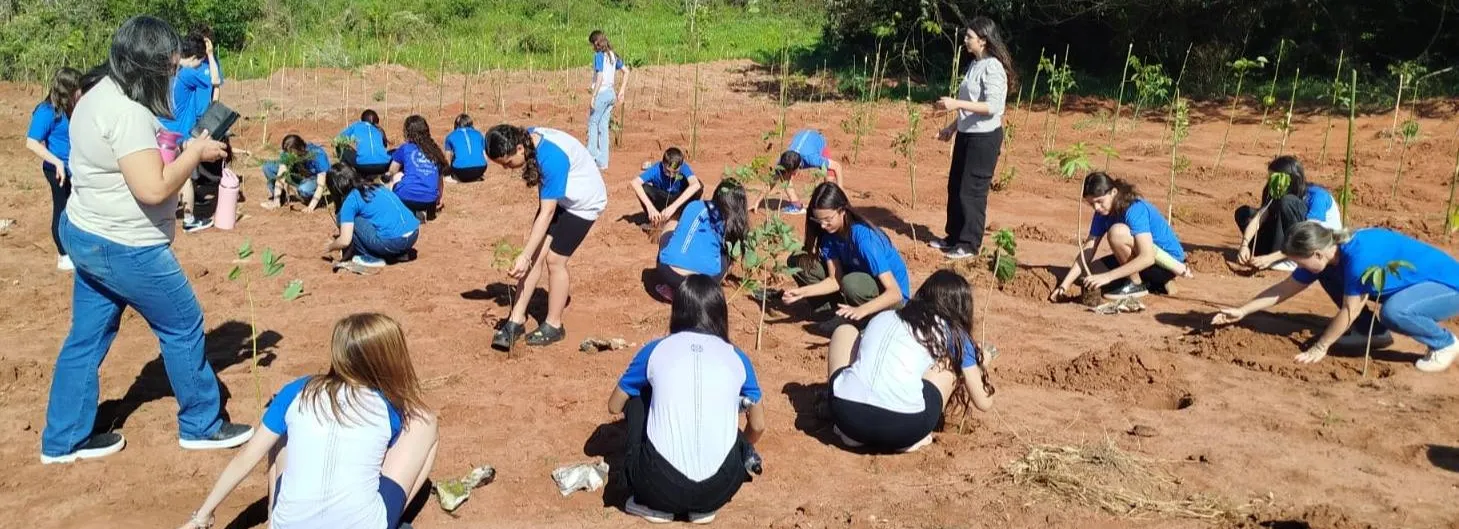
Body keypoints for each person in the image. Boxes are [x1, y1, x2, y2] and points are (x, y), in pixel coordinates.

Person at [42, 15, 251, 465]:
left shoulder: (97, 94)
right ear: (149, 64)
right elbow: (154, 189)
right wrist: (195, 152)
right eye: (170, 66)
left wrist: (178, 143)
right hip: (126, 245)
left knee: (87, 336)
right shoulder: (127, 114)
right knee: (183, 323)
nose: (174, 72)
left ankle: (63, 439)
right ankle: (202, 424)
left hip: (87, 232)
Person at [175, 313, 438, 529]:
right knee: (424, 422)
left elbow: (245, 458)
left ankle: (273, 517)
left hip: (290, 524)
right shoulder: (389, 404)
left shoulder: (297, 391)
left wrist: (203, 515)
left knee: (282, 434)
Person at [608, 275, 766, 524]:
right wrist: (740, 448)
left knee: (638, 396)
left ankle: (649, 503)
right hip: (720, 488)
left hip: (656, 485)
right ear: (721, 313)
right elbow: (757, 425)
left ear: (676, 311)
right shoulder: (738, 358)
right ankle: (700, 506)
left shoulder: (655, 349)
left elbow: (614, 405)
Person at [1213, 222, 1459, 372]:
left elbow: (1350, 309)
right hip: (1410, 286)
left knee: (1394, 312)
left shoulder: (1358, 257)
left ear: (1317, 254)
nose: (1302, 267)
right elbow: (1284, 289)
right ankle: (1370, 332)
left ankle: (1444, 343)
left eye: (1302, 262)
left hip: (1448, 288)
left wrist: (1322, 346)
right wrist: (1243, 310)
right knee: (1328, 275)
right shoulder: (1330, 253)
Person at [826, 270, 994, 452]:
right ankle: (915, 438)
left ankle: (851, 433)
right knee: (949, 364)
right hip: (906, 429)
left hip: (846, 417)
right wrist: (981, 364)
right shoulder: (954, 333)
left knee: (845, 331)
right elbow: (983, 403)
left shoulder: (883, 317)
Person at [486, 124, 608, 349]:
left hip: (584, 204)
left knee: (555, 260)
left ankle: (554, 325)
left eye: (507, 163)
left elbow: (547, 211)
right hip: (561, 197)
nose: (507, 168)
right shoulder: (527, 138)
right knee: (535, 255)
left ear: (520, 149)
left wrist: (523, 255)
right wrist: (527, 255)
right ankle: (517, 319)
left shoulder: (551, 158)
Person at [930, 17, 1014, 260]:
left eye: (969, 37)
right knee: (955, 186)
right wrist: (952, 128)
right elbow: (972, 108)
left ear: (983, 40)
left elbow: (993, 106)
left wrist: (954, 103)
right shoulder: (975, 65)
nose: (965, 41)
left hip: (984, 139)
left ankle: (969, 243)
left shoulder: (993, 67)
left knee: (972, 190)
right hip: (967, 135)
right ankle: (954, 237)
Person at [782, 182, 911, 333]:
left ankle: (867, 322)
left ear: (842, 210)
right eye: (819, 220)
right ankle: (834, 313)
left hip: (894, 302)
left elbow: (894, 293)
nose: (823, 225)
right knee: (800, 261)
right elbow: (834, 280)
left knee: (852, 283)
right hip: (862, 291)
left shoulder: (864, 239)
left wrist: (861, 311)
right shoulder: (829, 236)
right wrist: (802, 292)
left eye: (828, 219)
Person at [1051, 172, 1191, 302]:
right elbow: (1089, 248)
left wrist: (1107, 277)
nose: (1097, 208)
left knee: (1117, 233)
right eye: (1092, 204)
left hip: (1164, 264)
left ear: (1113, 192)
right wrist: (1065, 285)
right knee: (1088, 275)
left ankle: (1136, 285)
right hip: (1141, 257)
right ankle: (1155, 284)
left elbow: (1147, 257)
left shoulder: (1135, 209)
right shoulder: (1101, 214)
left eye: (1100, 201)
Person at [1235, 156, 1342, 272]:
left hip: (1315, 245)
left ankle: (1293, 260)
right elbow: (1259, 218)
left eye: (1275, 178)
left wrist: (1271, 258)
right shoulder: (1278, 192)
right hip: (1291, 241)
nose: (1271, 183)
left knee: (1287, 202)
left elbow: (1308, 236)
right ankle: (1264, 256)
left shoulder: (1317, 196)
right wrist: (1244, 245)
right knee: (1244, 213)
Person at [24, 67, 82, 271]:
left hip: (74, 167)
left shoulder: (72, 108)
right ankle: (63, 254)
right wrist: (56, 162)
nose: (80, 92)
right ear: (68, 90)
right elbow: (32, 142)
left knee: (77, 209)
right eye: (77, 88)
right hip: (56, 169)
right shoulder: (47, 111)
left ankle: (74, 248)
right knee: (62, 207)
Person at [654, 179, 749, 301]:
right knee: (726, 253)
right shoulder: (731, 222)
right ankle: (691, 294)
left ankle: (671, 289)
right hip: (705, 283)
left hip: (669, 272)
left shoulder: (694, 205)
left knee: (671, 224)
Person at [166, 30, 222, 233]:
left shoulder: (170, 72)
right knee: (184, 177)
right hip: (180, 135)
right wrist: (210, 54)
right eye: (199, 61)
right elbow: (215, 81)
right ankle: (189, 219)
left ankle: (167, 213)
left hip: (163, 130)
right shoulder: (188, 73)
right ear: (193, 58)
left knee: (167, 173)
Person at [325, 164, 420, 273]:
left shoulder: (351, 200)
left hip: (393, 243)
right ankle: (400, 254)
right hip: (413, 234)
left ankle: (371, 258)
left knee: (353, 220)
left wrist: (330, 247)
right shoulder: (376, 186)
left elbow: (345, 241)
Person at [749, 129, 847, 215]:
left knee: (829, 179)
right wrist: (757, 201)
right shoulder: (782, 161)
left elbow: (837, 167)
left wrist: (841, 194)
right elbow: (772, 180)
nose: (791, 176)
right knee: (782, 175)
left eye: (791, 173)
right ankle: (797, 206)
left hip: (818, 140)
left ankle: (833, 204)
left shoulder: (812, 158)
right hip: (803, 137)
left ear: (797, 169)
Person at [388, 115, 448, 222]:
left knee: (397, 176)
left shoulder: (405, 148)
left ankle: (400, 212)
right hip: (430, 200)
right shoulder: (435, 151)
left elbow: (392, 171)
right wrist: (438, 199)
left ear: (408, 132)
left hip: (406, 197)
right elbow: (440, 181)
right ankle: (425, 213)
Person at [586, 30, 629, 170]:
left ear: (596, 43)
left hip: (602, 93)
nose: (592, 47)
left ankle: (591, 155)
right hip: (611, 93)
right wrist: (621, 90)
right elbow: (626, 71)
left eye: (593, 44)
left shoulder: (599, 55)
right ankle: (603, 162)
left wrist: (593, 96)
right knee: (603, 126)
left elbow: (600, 76)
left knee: (593, 123)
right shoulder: (612, 55)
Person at [631, 147, 702, 228]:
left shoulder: (684, 167)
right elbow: (635, 183)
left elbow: (696, 184)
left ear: (681, 166)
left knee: (699, 187)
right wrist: (650, 208)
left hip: (678, 201)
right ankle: (655, 221)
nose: (671, 175)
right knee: (644, 188)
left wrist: (673, 207)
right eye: (667, 171)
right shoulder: (656, 168)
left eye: (675, 172)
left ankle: (680, 218)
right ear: (663, 164)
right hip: (662, 200)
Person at [262, 134, 331, 211]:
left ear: (299, 149)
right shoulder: (287, 152)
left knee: (303, 189)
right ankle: (281, 198)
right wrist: (276, 201)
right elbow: (280, 176)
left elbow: (321, 184)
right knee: (268, 167)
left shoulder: (317, 154)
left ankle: (316, 200)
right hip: (299, 176)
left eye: (291, 153)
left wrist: (310, 207)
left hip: (315, 180)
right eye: (287, 153)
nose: (288, 156)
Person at [339, 109, 392, 181]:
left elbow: (339, 139)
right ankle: (387, 177)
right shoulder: (379, 129)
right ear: (377, 120)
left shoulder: (356, 125)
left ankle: (348, 178)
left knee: (342, 148)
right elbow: (384, 146)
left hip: (362, 166)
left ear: (362, 119)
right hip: (384, 166)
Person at [444, 113, 488, 183]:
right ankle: (477, 176)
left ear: (456, 124)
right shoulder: (479, 134)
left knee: (454, 154)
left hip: (461, 172)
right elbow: (484, 155)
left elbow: (447, 159)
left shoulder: (450, 136)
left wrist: (447, 173)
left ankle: (451, 177)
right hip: (481, 169)